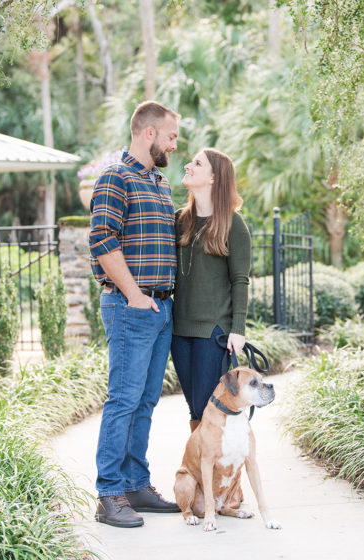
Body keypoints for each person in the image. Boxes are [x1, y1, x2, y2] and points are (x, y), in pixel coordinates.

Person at [89, 100, 182, 528]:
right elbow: (103, 240)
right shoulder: (116, 177)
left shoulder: (160, 182)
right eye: (171, 136)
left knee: (145, 400)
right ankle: (109, 494)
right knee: (123, 400)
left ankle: (135, 485)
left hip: (161, 306)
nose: (174, 145)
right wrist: (134, 296)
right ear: (149, 134)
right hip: (132, 306)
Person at [170, 148, 251, 437]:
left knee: (209, 408)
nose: (189, 166)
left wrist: (237, 330)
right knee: (195, 409)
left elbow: (240, 280)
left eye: (197, 163)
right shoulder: (180, 220)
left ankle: (218, 480)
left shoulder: (233, 223)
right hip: (179, 333)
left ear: (214, 178)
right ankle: (204, 476)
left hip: (213, 332)